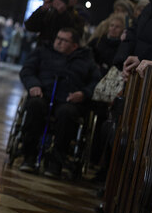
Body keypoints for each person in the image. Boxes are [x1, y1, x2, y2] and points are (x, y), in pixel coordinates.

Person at [18, 27, 101, 177]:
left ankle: (55, 161)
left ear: (74, 45)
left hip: (69, 100)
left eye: (64, 40)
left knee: (67, 114)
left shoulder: (86, 60)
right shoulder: (42, 52)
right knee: (35, 106)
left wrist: (83, 94)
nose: (58, 42)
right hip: (43, 94)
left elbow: (96, 82)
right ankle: (29, 156)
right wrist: (33, 85)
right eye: (57, 38)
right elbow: (27, 70)